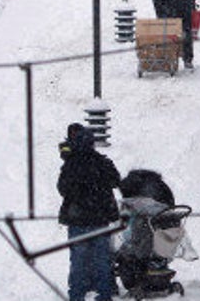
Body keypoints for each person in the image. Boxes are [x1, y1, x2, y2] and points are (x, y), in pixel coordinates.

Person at [58, 126, 121, 301]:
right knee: (102, 260)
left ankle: (77, 295)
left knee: (78, 261)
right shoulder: (103, 162)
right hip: (100, 220)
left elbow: (62, 189)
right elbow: (116, 180)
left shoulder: (71, 164)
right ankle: (104, 294)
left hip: (77, 220)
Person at [143, 0, 198, 69]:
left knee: (178, 29)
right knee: (185, 29)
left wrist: (161, 16)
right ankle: (186, 58)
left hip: (181, 1)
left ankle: (170, 57)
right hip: (183, 0)